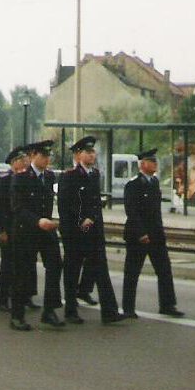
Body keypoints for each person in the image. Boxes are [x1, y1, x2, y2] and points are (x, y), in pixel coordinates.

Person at [57, 135, 125, 325]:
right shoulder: (69, 176)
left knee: (101, 270)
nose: (92, 155)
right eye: (88, 152)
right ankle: (70, 310)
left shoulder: (94, 174)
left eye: (93, 152)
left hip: (93, 230)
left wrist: (92, 218)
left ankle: (109, 311)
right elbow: (66, 204)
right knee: (72, 269)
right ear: (78, 154)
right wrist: (81, 219)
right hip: (75, 232)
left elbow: (95, 201)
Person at [121, 148, 184, 319]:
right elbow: (131, 211)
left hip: (156, 235)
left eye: (156, 161)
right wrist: (141, 233)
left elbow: (156, 212)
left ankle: (167, 304)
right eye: (152, 161)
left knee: (164, 270)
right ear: (143, 164)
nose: (155, 164)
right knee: (132, 272)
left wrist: (159, 231)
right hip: (138, 235)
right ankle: (128, 307)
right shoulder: (133, 185)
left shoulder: (155, 183)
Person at [12, 139, 65, 329]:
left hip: (46, 230)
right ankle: (17, 315)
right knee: (23, 272)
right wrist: (37, 221)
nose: (47, 159)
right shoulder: (21, 178)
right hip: (27, 231)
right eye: (43, 156)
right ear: (33, 156)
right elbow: (18, 208)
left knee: (55, 265)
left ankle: (49, 310)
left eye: (48, 156)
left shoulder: (49, 177)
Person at [0, 145, 29, 313]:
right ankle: (3, 298)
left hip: (22, 229)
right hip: (7, 229)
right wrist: (1, 230)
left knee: (24, 266)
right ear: (14, 163)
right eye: (22, 160)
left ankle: (25, 297)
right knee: (7, 266)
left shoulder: (26, 179)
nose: (25, 162)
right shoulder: (4, 181)